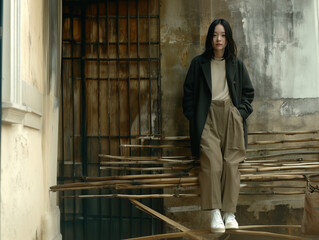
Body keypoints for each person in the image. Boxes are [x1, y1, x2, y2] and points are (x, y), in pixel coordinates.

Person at [182, 19, 254, 233]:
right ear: (210, 38)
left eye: (223, 35)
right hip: (207, 117)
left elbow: (248, 94)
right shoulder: (198, 64)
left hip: (231, 116)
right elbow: (187, 94)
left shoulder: (237, 64)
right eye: (215, 34)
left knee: (231, 164)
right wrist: (194, 117)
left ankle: (229, 213)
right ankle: (214, 212)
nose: (219, 39)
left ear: (228, 38)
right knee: (211, 164)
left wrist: (239, 113)